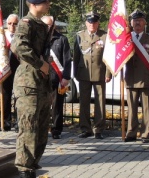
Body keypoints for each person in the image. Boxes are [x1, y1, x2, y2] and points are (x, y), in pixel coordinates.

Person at [11, 0, 52, 178]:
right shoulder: (26, 23)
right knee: (28, 130)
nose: (48, 4)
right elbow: (18, 46)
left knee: (41, 131)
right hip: (28, 85)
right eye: (45, 1)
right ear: (35, 4)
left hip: (41, 84)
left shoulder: (41, 25)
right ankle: (25, 176)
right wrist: (41, 64)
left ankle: (32, 172)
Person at [73, 11, 111, 140]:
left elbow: (108, 57)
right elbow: (77, 55)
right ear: (86, 23)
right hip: (83, 73)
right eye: (90, 22)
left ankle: (99, 129)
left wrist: (108, 73)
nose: (92, 24)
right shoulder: (80, 36)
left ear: (98, 23)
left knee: (100, 103)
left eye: (94, 22)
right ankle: (85, 128)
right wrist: (75, 73)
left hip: (100, 72)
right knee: (84, 102)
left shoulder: (104, 36)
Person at [124, 9, 149, 143]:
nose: (137, 23)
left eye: (140, 20)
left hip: (146, 79)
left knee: (147, 109)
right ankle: (131, 133)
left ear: (145, 23)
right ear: (131, 23)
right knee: (132, 109)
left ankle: (146, 133)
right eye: (135, 20)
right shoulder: (126, 39)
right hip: (131, 78)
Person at [41, 15, 72, 139]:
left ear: (53, 25)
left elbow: (67, 60)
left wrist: (66, 77)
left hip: (57, 78)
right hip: (42, 78)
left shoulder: (62, 39)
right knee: (43, 106)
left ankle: (56, 130)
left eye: (50, 25)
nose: (48, 27)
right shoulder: (39, 40)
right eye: (45, 25)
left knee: (57, 106)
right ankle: (42, 129)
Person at [0, 14, 20, 132]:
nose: (12, 26)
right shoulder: (2, 37)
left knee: (18, 98)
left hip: (18, 71)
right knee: (5, 97)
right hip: (5, 71)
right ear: (6, 24)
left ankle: (18, 123)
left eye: (15, 23)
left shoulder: (21, 37)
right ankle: (5, 122)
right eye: (10, 23)